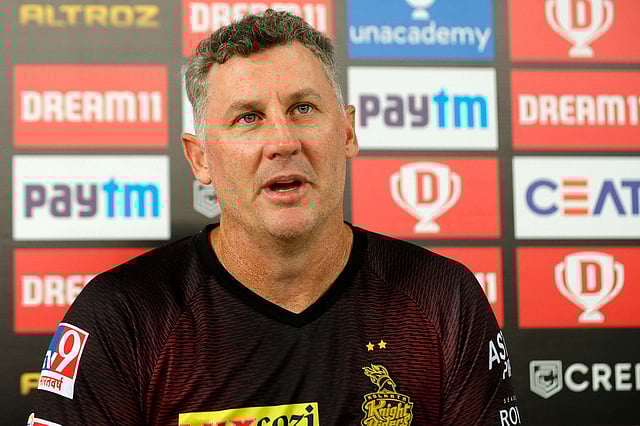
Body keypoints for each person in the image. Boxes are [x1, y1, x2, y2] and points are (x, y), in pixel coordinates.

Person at [30, 9, 519, 426]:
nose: (283, 142)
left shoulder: (442, 297)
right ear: (200, 158)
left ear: (347, 132)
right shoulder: (123, 316)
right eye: (248, 117)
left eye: (303, 108)